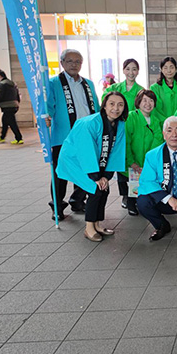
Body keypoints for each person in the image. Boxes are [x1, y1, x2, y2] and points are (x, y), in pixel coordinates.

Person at [56, 91, 128, 241]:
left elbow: (116, 151)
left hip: (97, 161)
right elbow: (85, 151)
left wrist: (106, 176)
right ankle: (89, 228)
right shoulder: (89, 123)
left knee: (104, 188)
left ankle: (97, 224)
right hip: (75, 160)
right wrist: (95, 176)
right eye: (112, 104)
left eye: (120, 105)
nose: (116, 108)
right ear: (104, 106)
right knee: (95, 189)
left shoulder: (120, 124)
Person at [45, 49, 100, 219]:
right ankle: (57, 206)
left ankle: (77, 200)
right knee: (60, 172)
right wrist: (45, 117)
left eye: (77, 61)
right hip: (63, 136)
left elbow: (96, 107)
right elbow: (48, 106)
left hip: (86, 135)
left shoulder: (88, 84)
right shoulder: (53, 83)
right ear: (62, 63)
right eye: (69, 61)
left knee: (86, 169)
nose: (74, 65)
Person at [123, 90, 164, 216]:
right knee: (132, 183)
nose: (148, 103)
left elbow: (157, 143)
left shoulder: (156, 121)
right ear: (138, 102)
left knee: (147, 183)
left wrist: (150, 163)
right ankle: (131, 204)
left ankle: (145, 205)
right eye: (144, 100)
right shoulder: (131, 117)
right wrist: (132, 162)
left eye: (151, 100)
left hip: (148, 162)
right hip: (133, 160)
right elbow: (126, 142)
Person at [151, 57, 177, 121]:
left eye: (171, 67)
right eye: (165, 68)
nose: (169, 70)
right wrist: (167, 123)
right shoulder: (155, 88)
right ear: (161, 70)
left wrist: (176, 122)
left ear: (176, 69)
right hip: (161, 125)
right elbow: (155, 109)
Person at [0, 69, 22, 144]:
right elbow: (17, 94)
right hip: (14, 105)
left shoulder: (2, 84)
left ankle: (19, 138)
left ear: (0, 76)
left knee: (12, 122)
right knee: (5, 120)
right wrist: (17, 102)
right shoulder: (12, 83)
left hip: (7, 106)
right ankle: (2, 136)